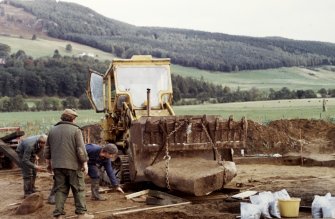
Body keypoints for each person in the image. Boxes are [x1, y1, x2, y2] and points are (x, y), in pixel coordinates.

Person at [44, 109, 94, 219]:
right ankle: (81, 214)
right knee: (79, 189)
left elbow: (47, 149)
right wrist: (85, 163)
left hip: (57, 166)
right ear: (73, 119)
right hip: (73, 166)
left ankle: (58, 215)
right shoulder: (76, 130)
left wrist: (48, 163)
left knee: (60, 190)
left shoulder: (52, 130)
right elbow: (81, 149)